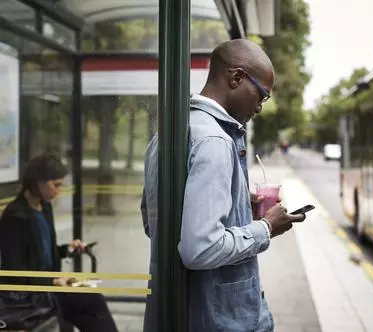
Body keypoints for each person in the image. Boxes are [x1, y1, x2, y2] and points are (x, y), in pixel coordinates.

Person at [141, 39, 306, 331]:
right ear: (236, 77)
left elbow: (153, 222)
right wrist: (266, 227)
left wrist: (240, 209)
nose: (260, 108)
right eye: (262, 94)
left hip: (175, 314)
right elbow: (200, 249)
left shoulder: (167, 133)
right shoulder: (215, 142)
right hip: (216, 320)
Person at [0, 153, 118, 332]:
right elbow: (14, 271)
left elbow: (43, 252)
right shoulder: (14, 217)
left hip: (49, 289)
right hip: (31, 296)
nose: (58, 191)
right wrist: (52, 281)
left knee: (91, 304)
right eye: (55, 185)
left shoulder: (45, 208)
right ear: (38, 182)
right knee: (92, 303)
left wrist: (67, 249)